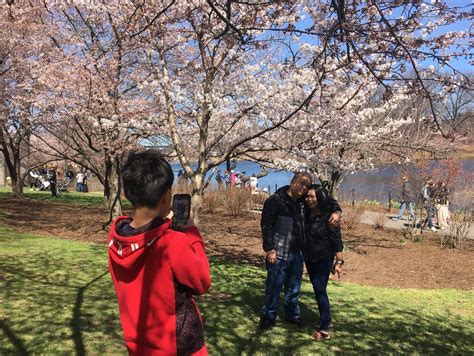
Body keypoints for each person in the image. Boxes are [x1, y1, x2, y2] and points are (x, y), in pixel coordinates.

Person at [108, 150, 211, 355]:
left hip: (139, 341)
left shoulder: (116, 240)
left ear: (127, 194)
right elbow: (201, 281)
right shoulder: (171, 242)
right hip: (178, 343)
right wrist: (191, 232)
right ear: (166, 197)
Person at [259, 172, 342, 330]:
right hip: (278, 252)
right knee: (274, 286)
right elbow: (266, 225)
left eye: (306, 185)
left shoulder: (304, 203)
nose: (303, 187)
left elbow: (328, 201)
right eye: (301, 183)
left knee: (293, 288)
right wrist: (269, 249)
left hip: (297, 253)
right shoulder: (275, 200)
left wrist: (337, 212)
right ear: (292, 181)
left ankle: (292, 316)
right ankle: (268, 316)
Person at [303, 185, 344, 341]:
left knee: (320, 288)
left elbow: (336, 240)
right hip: (309, 258)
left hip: (323, 258)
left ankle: (325, 327)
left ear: (320, 197)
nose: (309, 199)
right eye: (307, 196)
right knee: (317, 288)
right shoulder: (305, 213)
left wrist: (339, 260)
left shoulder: (329, 217)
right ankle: (324, 317)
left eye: (313, 196)